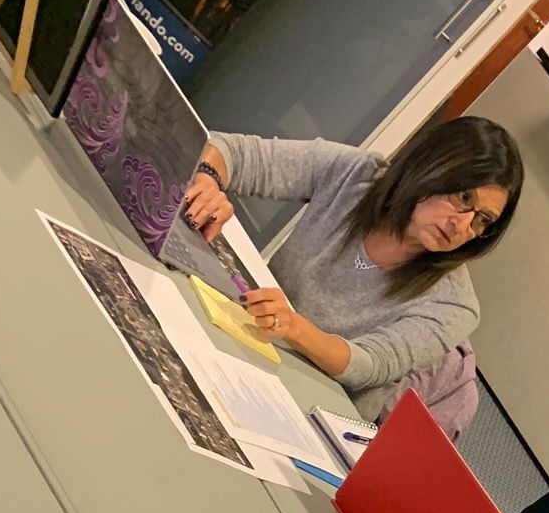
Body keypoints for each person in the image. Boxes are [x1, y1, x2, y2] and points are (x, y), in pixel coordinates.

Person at [182, 116, 524, 428]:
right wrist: (209, 183)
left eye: (482, 220)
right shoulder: (355, 176)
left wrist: (294, 327)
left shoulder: (456, 307)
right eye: (464, 197)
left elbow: (370, 366)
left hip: (312, 416)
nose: (462, 225)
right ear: (432, 166)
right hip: (246, 346)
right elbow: (232, 152)